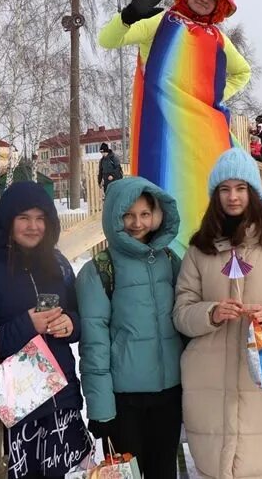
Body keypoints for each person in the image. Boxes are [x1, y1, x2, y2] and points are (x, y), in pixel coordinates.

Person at [173, 148, 262, 479]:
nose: (232, 197)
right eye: (224, 189)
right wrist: (210, 313)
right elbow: (181, 311)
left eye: (240, 188)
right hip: (210, 384)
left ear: (252, 192)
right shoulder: (198, 251)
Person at [98, 0, 251, 247]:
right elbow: (108, 40)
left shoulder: (218, 39)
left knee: (208, 202)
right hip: (163, 135)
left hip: (205, 137)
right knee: (165, 199)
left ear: (220, 5)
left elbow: (242, 72)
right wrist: (128, 16)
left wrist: (210, 99)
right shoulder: (161, 22)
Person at [0, 181, 91, 478]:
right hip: (13, 412)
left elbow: (80, 317)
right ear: (7, 221)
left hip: (62, 404)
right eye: (24, 218)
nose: (33, 226)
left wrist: (71, 324)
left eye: (41, 218)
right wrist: (26, 326)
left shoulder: (60, 265)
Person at [78, 177, 184, 479]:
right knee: (127, 475)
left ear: (157, 215)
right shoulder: (99, 269)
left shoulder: (168, 259)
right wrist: (101, 410)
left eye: (145, 214)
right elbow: (94, 344)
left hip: (168, 394)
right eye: (128, 215)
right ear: (115, 216)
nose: (137, 223)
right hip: (125, 402)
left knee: (163, 472)